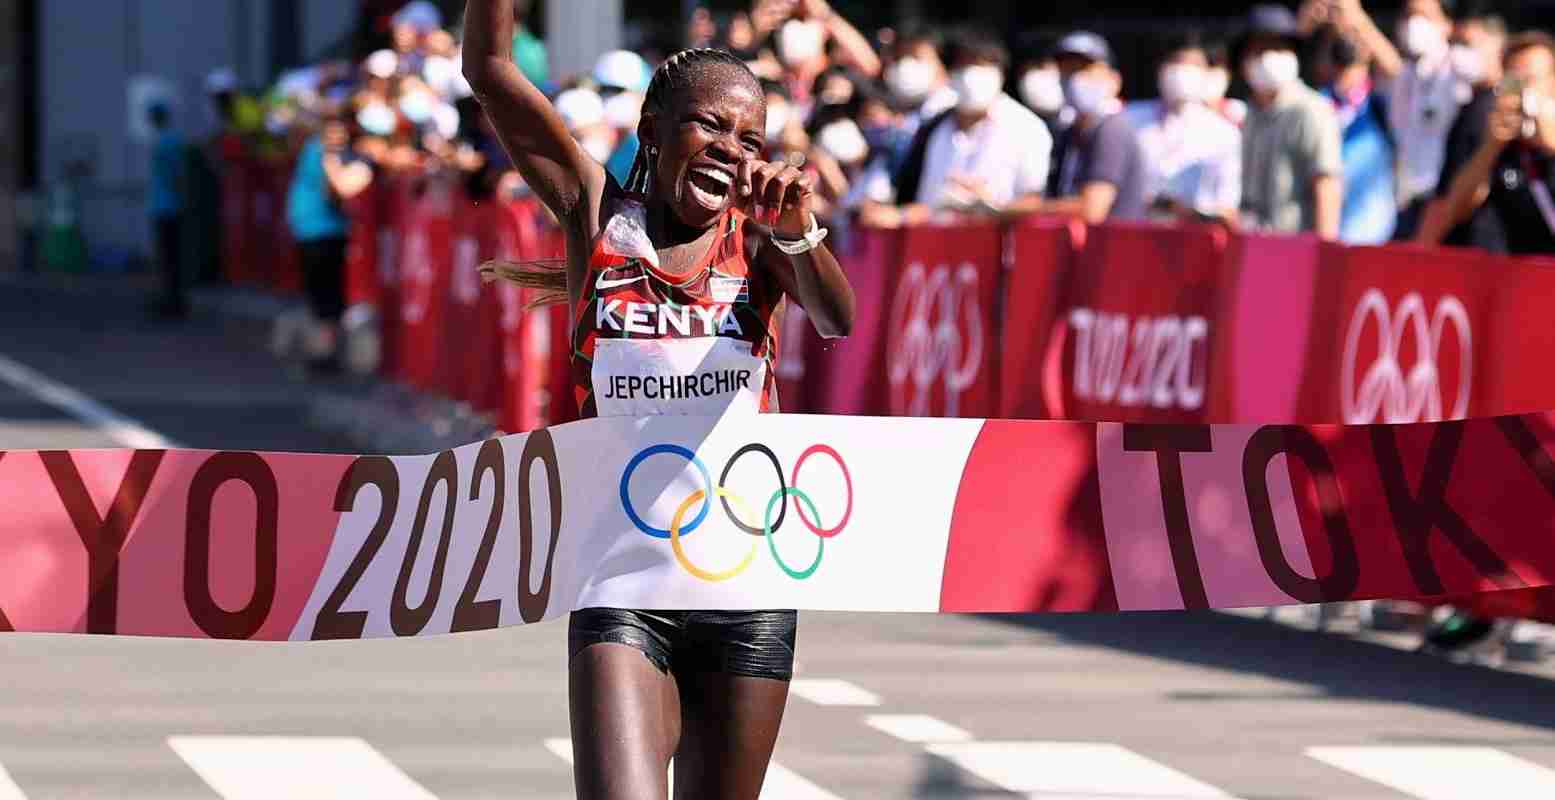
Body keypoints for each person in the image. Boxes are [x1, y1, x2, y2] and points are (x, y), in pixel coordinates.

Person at [462, 3, 856, 799]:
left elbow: (837, 319)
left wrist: (797, 231)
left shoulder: (760, 240)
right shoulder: (597, 213)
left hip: (745, 581)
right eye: (709, 128)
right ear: (652, 130)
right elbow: (489, 71)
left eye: (750, 141)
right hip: (622, 581)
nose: (731, 152)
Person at [1326, 0, 1476, 240]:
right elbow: (1388, 63)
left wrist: (1359, 18)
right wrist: (1351, 18)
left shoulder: (1458, 65)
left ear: (1447, 25)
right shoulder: (1406, 76)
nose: (1414, 24)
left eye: (1424, 16)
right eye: (1408, 16)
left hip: (1448, 203)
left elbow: (1489, 71)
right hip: (1406, 203)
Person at [871, 29, 1051, 226]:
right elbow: (918, 200)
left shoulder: (1027, 128)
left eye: (980, 64)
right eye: (962, 65)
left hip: (1002, 247)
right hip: (935, 249)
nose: (969, 75)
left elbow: (1037, 201)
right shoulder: (933, 127)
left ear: (1000, 71)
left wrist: (990, 206)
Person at [1435, 31, 1555, 255]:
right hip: (1505, 273)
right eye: (1514, 82)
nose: (1523, 91)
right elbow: (1456, 210)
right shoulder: (1485, 127)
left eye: (1530, 79)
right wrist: (1491, 147)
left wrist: (1549, 143)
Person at [1238, 4, 1343, 240]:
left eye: (1278, 47)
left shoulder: (1311, 110)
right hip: (1253, 245)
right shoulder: (1251, 113)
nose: (1268, 57)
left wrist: (1324, 255)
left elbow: (1326, 185)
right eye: (1259, 50)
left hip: (1296, 248)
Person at [285, 114, 373, 373]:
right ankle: (323, 350)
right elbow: (335, 188)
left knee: (326, 295)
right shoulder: (318, 151)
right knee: (322, 295)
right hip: (315, 233)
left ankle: (325, 350)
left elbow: (339, 189)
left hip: (321, 232)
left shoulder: (327, 153)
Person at [1127, 31, 1242, 225]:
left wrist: (1185, 211)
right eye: (1176, 62)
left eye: (1194, 65)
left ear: (1207, 74)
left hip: (1196, 240)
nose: (1183, 71)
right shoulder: (1130, 119)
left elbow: (1228, 208)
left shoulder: (1225, 134)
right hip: (1135, 234)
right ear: (1161, 69)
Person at [1416, 10, 1509, 247]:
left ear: (1499, 48)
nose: (1459, 53)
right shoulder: (1471, 104)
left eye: (1468, 44)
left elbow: (1464, 194)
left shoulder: (1492, 111)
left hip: (1475, 248)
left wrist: (1423, 245)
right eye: (1455, 44)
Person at [1045, 31, 1148, 222]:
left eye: (1085, 70)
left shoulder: (1111, 129)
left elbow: (1092, 210)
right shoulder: (1067, 133)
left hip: (1114, 248)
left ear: (1114, 80)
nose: (1075, 78)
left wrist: (1022, 209)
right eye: (1067, 70)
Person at [1310, 25, 1397, 244]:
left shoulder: (1382, 101)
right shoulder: (1317, 104)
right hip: (1329, 230)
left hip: (1376, 234)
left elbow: (1397, 70)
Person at [147, 103, 188, 319]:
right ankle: (173, 299)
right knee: (172, 257)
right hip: (169, 206)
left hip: (164, 207)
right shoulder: (172, 141)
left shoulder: (164, 143)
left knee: (167, 257)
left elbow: (176, 176)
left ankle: (172, 301)